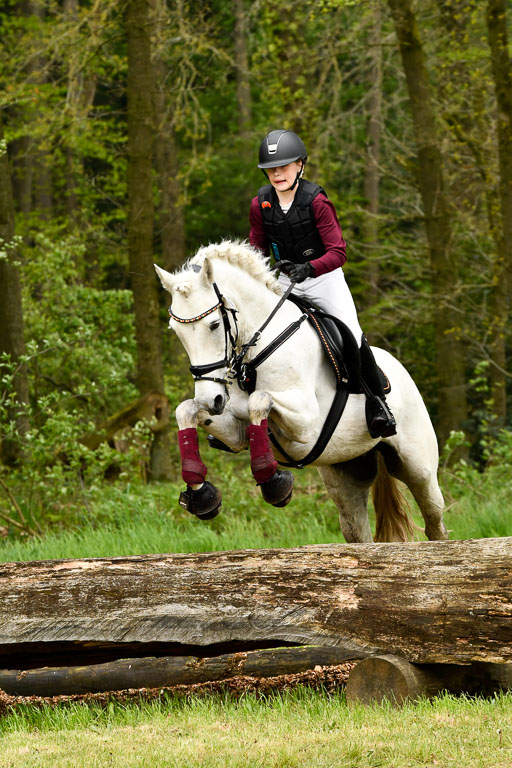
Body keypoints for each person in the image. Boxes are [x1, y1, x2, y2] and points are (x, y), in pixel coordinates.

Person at [249, 128, 396, 439]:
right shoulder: (260, 204)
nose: (277, 173)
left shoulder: (316, 202)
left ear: (300, 165)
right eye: (272, 169)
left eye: (284, 166)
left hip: (323, 280)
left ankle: (377, 403)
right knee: (253, 330)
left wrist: (310, 268)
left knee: (350, 332)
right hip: (286, 280)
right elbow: (257, 250)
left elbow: (338, 252)